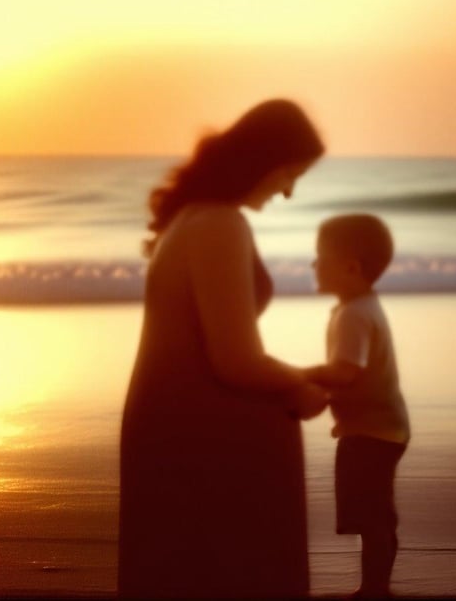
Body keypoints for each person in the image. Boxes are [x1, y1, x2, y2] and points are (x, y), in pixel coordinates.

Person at [118, 99, 329, 599]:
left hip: (171, 423)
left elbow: (219, 350)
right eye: (291, 174)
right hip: (201, 440)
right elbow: (234, 362)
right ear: (267, 163)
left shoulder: (190, 218)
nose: (289, 192)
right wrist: (302, 386)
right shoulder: (220, 224)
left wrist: (299, 374)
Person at [307, 214, 410, 599]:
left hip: (372, 431)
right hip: (383, 427)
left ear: (351, 267)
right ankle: (376, 585)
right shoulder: (364, 306)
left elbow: (345, 372)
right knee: (377, 511)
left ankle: (374, 589)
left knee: (372, 515)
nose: (313, 265)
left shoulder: (353, 314)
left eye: (320, 257)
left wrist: (301, 377)